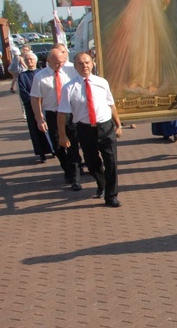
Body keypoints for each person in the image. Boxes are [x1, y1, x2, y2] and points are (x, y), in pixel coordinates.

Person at [58, 52, 123, 207]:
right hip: (85, 129)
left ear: (93, 63)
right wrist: (62, 135)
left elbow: (111, 104)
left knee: (111, 162)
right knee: (92, 163)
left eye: (87, 62)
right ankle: (102, 183)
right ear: (75, 67)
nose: (84, 66)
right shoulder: (69, 88)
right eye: (80, 63)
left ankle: (111, 195)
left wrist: (118, 124)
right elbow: (62, 113)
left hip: (105, 127)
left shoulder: (102, 82)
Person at [30, 46, 82, 190]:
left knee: (73, 144)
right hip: (53, 114)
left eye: (62, 62)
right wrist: (39, 118)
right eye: (56, 63)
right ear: (48, 61)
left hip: (70, 113)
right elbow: (35, 98)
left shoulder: (70, 71)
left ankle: (75, 177)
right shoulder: (40, 76)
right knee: (58, 146)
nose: (60, 65)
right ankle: (67, 168)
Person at [18, 52, 52, 163]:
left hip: (45, 105)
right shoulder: (22, 76)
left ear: (36, 60)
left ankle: (53, 149)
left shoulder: (42, 73)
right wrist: (34, 100)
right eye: (27, 60)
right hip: (31, 107)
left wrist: (43, 99)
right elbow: (23, 92)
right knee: (36, 130)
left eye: (31, 59)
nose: (29, 61)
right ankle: (41, 153)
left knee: (49, 128)